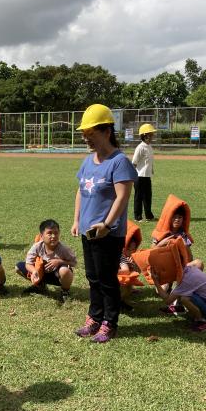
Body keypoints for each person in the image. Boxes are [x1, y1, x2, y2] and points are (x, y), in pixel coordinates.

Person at [71, 104, 137, 343]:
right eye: (84, 134)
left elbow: (122, 197)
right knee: (92, 276)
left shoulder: (119, 162)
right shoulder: (88, 161)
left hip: (108, 233)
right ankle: (94, 317)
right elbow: (81, 191)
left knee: (107, 279)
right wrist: (77, 219)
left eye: (91, 134)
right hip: (88, 231)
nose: (86, 139)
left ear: (107, 131)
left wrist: (107, 225)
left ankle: (109, 323)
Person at [152, 264, 206, 332]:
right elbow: (198, 262)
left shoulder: (185, 280)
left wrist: (156, 282)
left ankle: (201, 322)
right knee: (183, 292)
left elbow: (168, 300)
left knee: (185, 298)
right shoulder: (190, 269)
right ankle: (179, 308)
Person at [15, 219, 77, 303]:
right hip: (41, 273)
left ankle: (65, 291)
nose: (53, 236)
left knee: (64, 270)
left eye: (56, 233)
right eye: (49, 233)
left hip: (57, 276)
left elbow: (74, 263)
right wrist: (34, 271)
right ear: (42, 236)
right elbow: (28, 263)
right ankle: (40, 286)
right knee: (18, 267)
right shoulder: (37, 246)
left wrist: (59, 261)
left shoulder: (63, 249)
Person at [132, 124, 156, 222]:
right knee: (139, 197)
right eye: (151, 134)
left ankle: (148, 215)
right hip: (139, 176)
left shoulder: (149, 147)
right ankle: (138, 216)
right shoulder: (140, 147)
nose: (152, 136)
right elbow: (134, 163)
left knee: (147, 196)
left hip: (147, 176)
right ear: (145, 135)